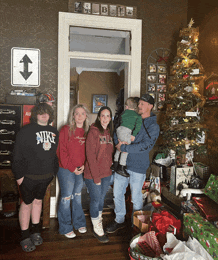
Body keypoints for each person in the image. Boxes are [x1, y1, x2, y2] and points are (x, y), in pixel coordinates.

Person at [105, 94, 160, 234]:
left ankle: (136, 226)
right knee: (117, 193)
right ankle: (119, 220)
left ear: (150, 106)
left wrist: (124, 147)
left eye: (142, 104)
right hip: (121, 165)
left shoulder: (153, 126)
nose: (139, 106)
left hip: (138, 166)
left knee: (136, 198)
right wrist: (119, 141)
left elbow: (146, 146)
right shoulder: (129, 116)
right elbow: (117, 131)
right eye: (139, 104)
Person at [12, 103, 59, 252]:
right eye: (41, 112)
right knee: (27, 204)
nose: (44, 115)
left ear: (50, 115)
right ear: (35, 115)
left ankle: (36, 231)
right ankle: (25, 236)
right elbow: (17, 155)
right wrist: (19, 177)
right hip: (28, 177)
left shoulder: (54, 132)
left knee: (38, 202)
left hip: (45, 176)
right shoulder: (25, 131)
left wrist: (53, 173)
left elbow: (54, 155)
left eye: (47, 113)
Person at [57, 104, 90, 239]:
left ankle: (79, 222)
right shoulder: (66, 130)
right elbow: (61, 151)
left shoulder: (88, 132)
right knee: (66, 197)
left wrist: (84, 165)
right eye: (77, 113)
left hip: (80, 169)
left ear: (86, 116)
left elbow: (90, 152)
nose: (80, 116)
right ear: (73, 116)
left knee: (77, 196)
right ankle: (65, 227)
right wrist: (72, 168)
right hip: (66, 169)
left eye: (82, 113)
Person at [84, 106, 114, 243]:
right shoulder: (93, 132)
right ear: (98, 117)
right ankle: (97, 227)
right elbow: (90, 156)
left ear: (111, 118)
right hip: (93, 174)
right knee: (96, 200)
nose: (105, 118)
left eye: (108, 116)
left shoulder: (109, 132)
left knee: (101, 199)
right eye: (103, 115)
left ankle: (98, 220)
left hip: (106, 173)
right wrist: (96, 177)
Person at [112, 97, 142, 177]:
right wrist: (133, 135)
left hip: (119, 130)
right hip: (126, 131)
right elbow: (138, 126)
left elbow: (119, 122)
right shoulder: (137, 116)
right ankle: (121, 167)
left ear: (127, 107)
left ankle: (115, 163)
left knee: (119, 147)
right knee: (125, 149)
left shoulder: (123, 113)